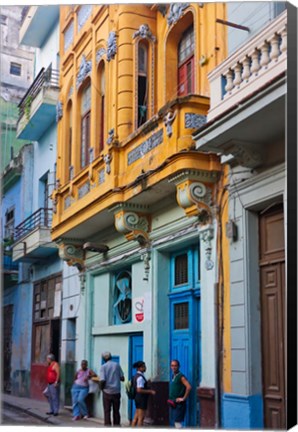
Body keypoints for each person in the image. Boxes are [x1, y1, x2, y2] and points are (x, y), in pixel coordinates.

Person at [99, 351, 125, 426]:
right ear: (111, 357)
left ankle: (108, 426)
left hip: (107, 392)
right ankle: (117, 426)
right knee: (116, 410)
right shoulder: (117, 365)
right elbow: (122, 378)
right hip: (116, 391)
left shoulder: (103, 367)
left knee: (107, 411)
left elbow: (102, 380)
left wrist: (101, 388)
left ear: (104, 359)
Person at [131, 361, 156, 427]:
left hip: (137, 398)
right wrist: (150, 391)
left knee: (136, 417)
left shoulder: (136, 376)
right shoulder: (140, 378)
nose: (145, 368)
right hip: (141, 399)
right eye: (143, 367)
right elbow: (139, 390)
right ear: (139, 368)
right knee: (141, 418)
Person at [168, 359, 192, 428]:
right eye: (172, 366)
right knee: (174, 422)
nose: (174, 367)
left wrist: (183, 398)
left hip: (179, 404)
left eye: (175, 366)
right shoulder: (173, 376)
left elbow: (189, 387)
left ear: (179, 366)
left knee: (177, 422)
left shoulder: (181, 377)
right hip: (173, 402)